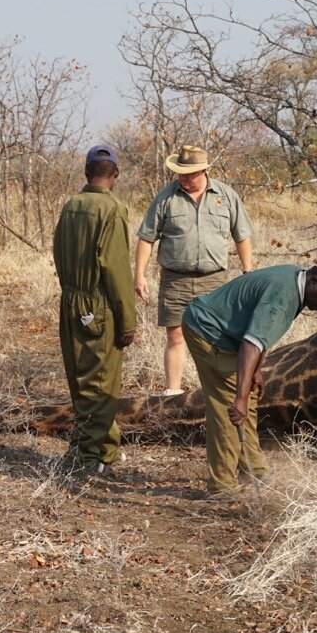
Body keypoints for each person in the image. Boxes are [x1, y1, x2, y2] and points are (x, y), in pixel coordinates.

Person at [182, 258, 317, 498]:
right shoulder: (284, 297)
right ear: (315, 279)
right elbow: (251, 343)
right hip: (207, 330)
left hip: (226, 335)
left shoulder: (295, 281)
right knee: (230, 406)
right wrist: (239, 396)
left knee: (246, 401)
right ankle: (221, 487)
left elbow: (261, 333)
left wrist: (256, 371)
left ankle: (253, 470)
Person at [135, 144, 254, 397]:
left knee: (216, 338)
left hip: (215, 281)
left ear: (204, 171)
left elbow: (241, 236)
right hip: (175, 280)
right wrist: (139, 275)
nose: (183, 178)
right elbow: (146, 238)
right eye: (180, 173)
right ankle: (173, 392)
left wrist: (248, 271)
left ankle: (216, 391)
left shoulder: (227, 195)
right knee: (175, 335)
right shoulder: (166, 197)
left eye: (189, 173)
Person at [52, 145, 137, 474]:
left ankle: (100, 447)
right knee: (101, 383)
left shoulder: (72, 205)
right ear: (115, 175)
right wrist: (126, 319)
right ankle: (89, 457)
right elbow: (116, 269)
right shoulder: (112, 209)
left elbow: (58, 251)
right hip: (98, 305)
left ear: (87, 173)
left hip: (71, 300)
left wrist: (73, 291)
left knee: (79, 377)